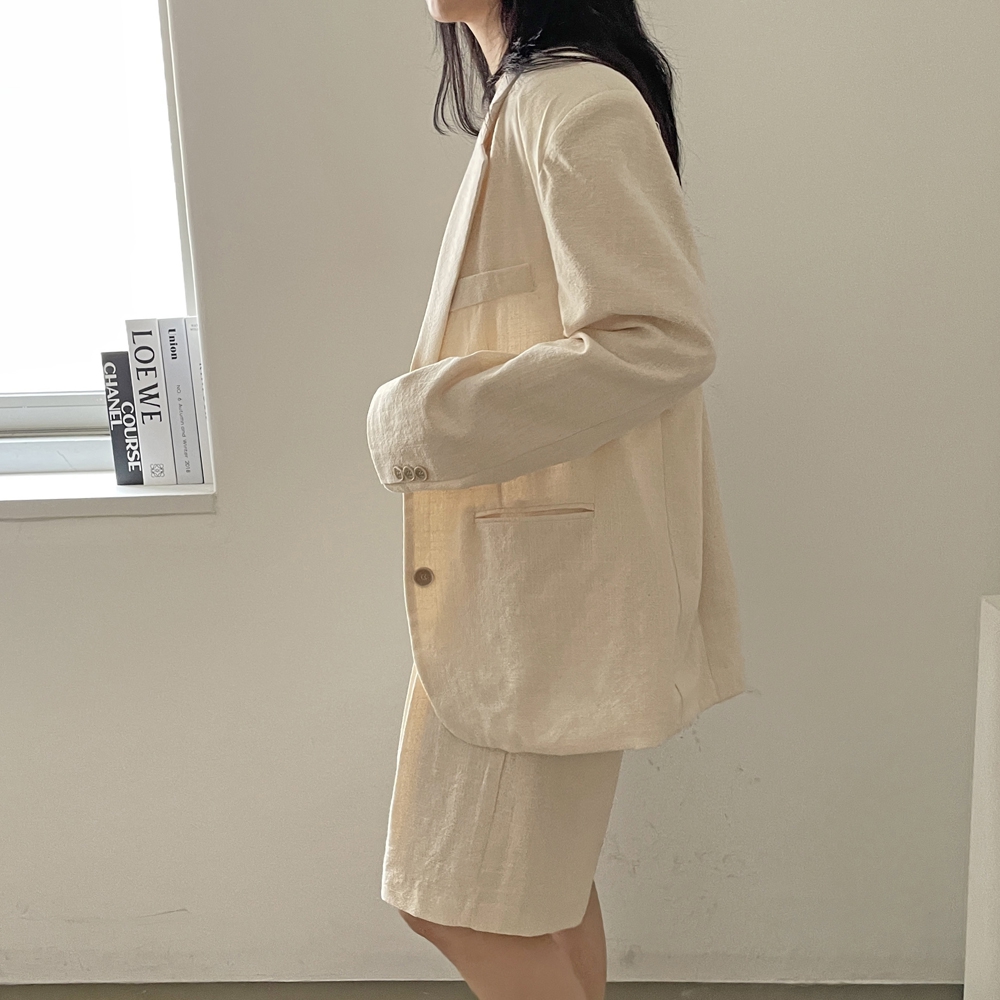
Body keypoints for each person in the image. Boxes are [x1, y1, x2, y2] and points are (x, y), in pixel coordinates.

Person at [369, 1, 747, 998]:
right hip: (522, 589)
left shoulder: (575, 103)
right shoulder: (530, 103)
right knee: (535, 896)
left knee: (458, 900)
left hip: (540, 600)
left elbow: (662, 337)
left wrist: (422, 420)